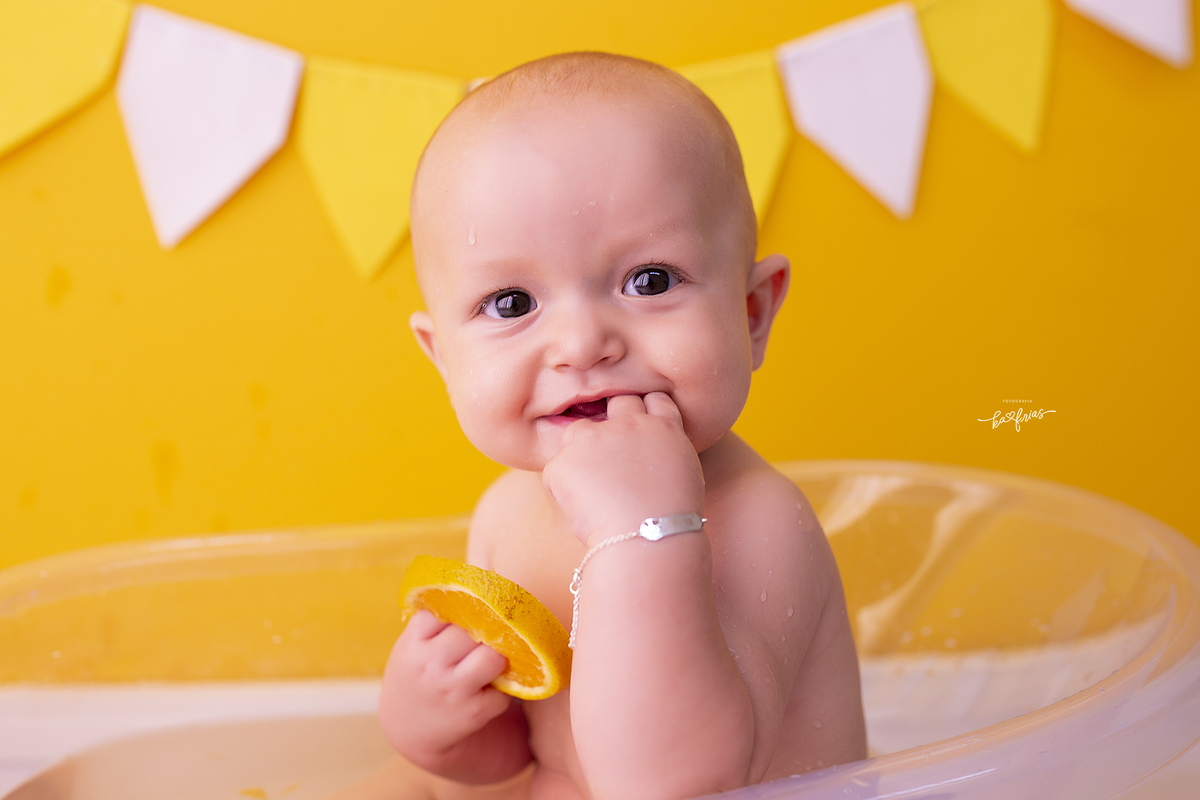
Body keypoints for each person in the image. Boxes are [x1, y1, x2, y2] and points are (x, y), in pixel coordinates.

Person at [367, 51, 865, 800]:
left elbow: (671, 782)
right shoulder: (507, 512)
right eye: (510, 304)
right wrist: (434, 723)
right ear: (443, 358)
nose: (581, 345)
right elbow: (525, 751)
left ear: (752, 313)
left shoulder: (760, 522)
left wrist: (643, 530)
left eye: (650, 281)